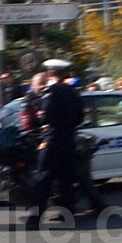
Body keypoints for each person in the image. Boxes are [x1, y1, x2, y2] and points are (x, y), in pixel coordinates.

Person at [28, 63, 83, 229]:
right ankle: (67, 214)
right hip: (69, 138)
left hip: (52, 139)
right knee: (66, 178)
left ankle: (35, 218)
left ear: (50, 73)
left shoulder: (50, 92)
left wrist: (42, 120)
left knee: (43, 177)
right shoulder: (72, 91)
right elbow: (80, 116)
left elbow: (46, 117)